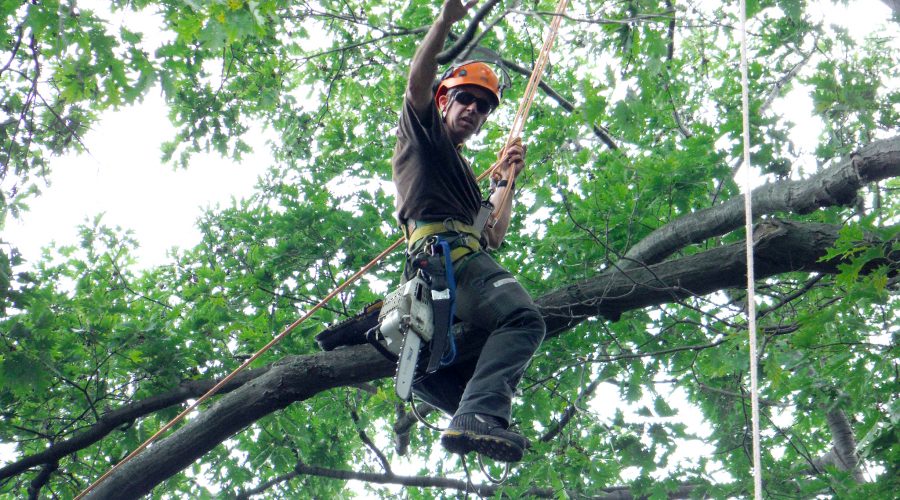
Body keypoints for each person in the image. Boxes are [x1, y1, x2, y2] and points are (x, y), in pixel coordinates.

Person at [391, 0, 545, 463]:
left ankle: (471, 416)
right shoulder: (425, 139)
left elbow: (492, 233)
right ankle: (476, 415)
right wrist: (445, 22)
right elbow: (416, 83)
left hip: (457, 261)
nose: (475, 110)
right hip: (446, 259)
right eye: (466, 99)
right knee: (523, 319)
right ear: (445, 100)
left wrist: (504, 183)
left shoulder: (461, 176)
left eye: (483, 107)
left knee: (468, 364)